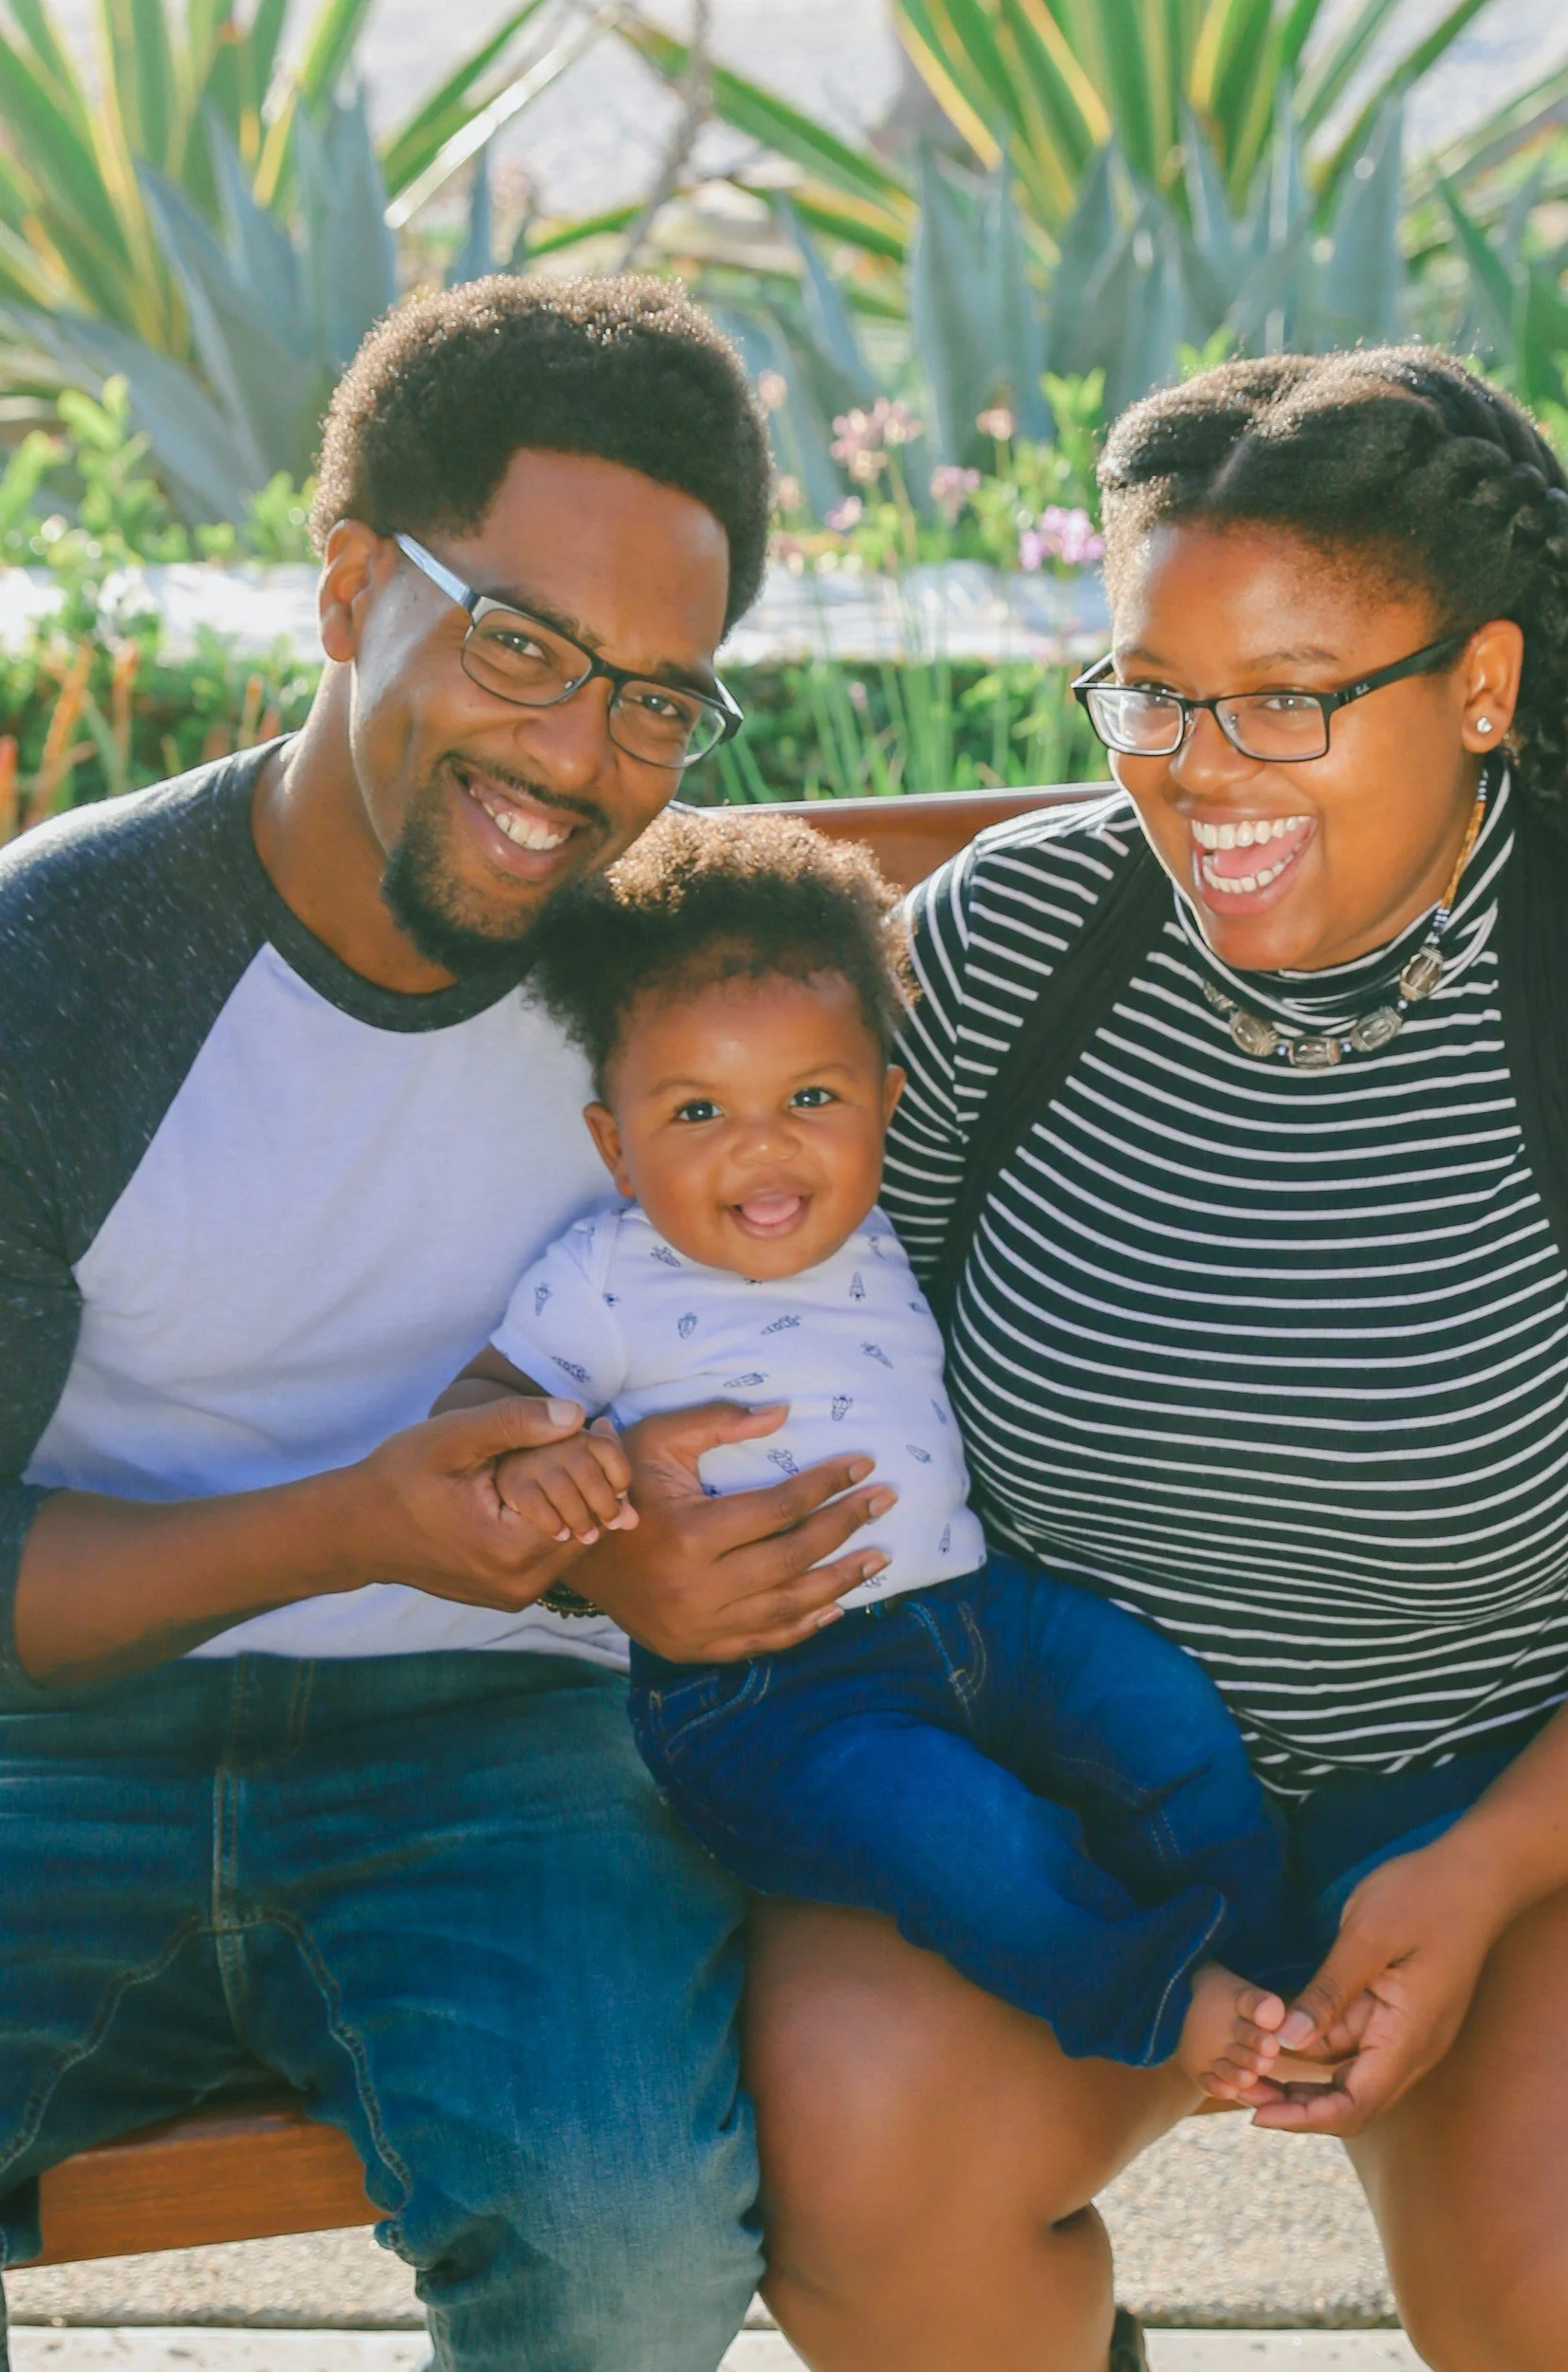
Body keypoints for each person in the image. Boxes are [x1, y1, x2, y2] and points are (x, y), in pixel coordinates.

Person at [746, 348, 1568, 2372]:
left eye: (1285, 698)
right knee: (842, 2147)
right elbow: (788, 1323)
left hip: (1515, 1769)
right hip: (1058, 1794)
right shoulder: (1014, 945)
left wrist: (1482, 1871)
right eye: (1151, 691)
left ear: (1480, 685)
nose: (1194, 766)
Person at [0, 276, 892, 2372]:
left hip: (506, 1753)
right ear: (344, 589)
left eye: (660, 698)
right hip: (53, 1747)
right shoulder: (60, 969)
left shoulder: (683, 1000)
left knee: (628, 2251)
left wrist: (645, 1571)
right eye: (522, 644)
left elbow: (819, 1365)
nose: (582, 758)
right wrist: (351, 1523)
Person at [435, 808, 1309, 2074]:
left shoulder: (885, 1226)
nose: (762, 1143)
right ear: (613, 1146)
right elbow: (469, 1414)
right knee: (965, 1835)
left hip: (975, 1614)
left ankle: (1274, 1963)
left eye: (808, 1097)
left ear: (881, 1106)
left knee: (1157, 1712)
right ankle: (1152, 1998)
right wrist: (546, 1461)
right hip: (769, 1696)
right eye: (695, 1113)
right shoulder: (603, 1281)